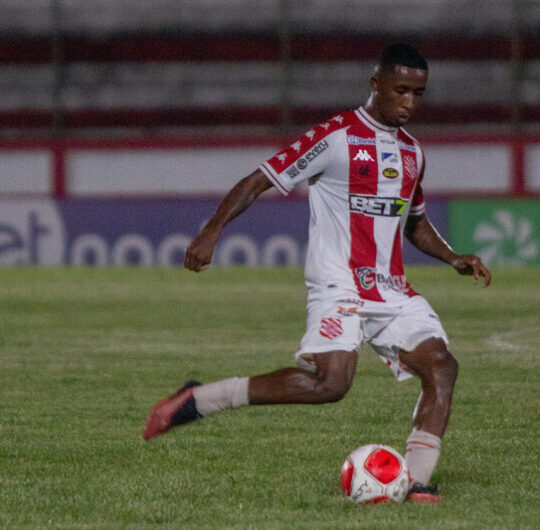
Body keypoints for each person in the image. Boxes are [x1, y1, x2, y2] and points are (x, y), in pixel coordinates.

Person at [142, 43, 491, 504]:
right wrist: (210, 233)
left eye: (418, 93)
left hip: (390, 289)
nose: (409, 102)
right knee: (330, 385)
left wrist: (452, 257)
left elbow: (413, 221)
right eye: (400, 90)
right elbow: (259, 179)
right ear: (376, 85)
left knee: (442, 367)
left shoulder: (412, 153)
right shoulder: (337, 135)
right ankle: (201, 400)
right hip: (339, 283)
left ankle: (419, 482)